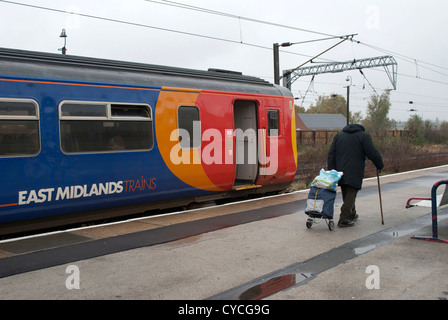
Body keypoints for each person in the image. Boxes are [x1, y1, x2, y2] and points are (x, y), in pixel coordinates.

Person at [328, 124, 384, 227]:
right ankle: (344, 218)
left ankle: (352, 214)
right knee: (352, 190)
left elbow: (331, 153)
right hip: (355, 168)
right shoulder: (363, 136)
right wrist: (379, 164)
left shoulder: (339, 135)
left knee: (346, 189)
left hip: (340, 169)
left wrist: (332, 170)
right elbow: (372, 152)